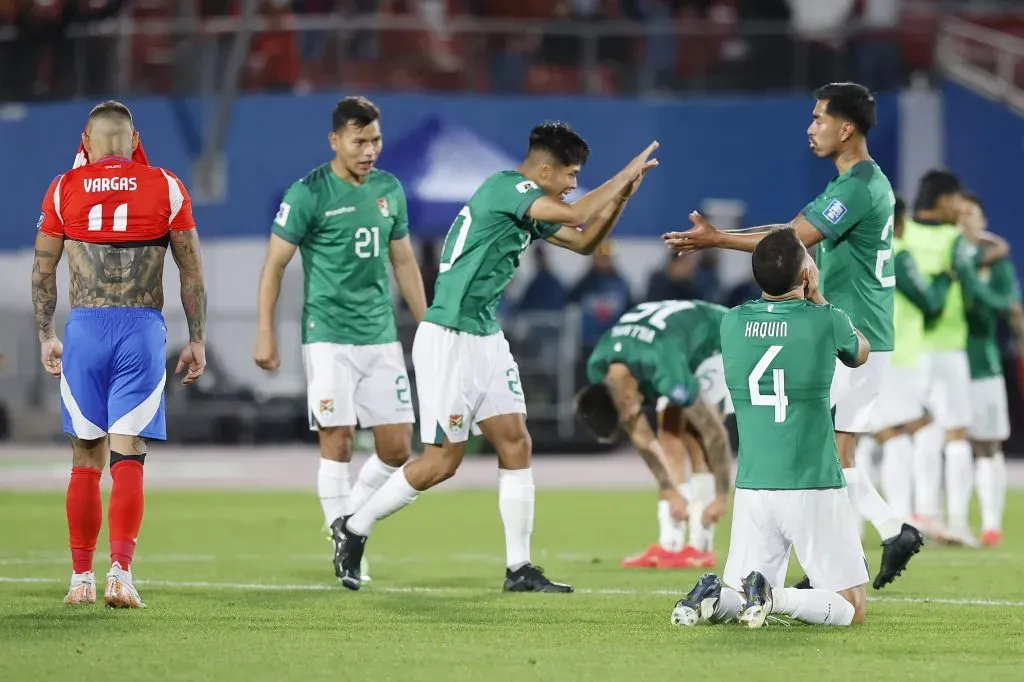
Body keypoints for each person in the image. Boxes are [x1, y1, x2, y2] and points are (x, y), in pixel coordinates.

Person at [333, 122, 660, 592]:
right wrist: (624, 174)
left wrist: (623, 196)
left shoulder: (526, 201)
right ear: (544, 169)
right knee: (442, 462)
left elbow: (585, 241)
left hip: (484, 336)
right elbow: (581, 212)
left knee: (515, 442)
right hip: (450, 336)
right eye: (569, 175)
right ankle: (354, 526)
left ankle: (519, 568)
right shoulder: (507, 188)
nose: (572, 185)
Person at [662, 82, 921, 589]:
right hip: (853, 329)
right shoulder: (855, 181)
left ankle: (838, 561)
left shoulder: (857, 187)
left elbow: (792, 240)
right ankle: (883, 536)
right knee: (833, 455)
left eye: (819, 118)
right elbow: (793, 227)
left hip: (854, 334)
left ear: (846, 128)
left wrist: (718, 239)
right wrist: (720, 236)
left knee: (821, 457)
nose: (810, 126)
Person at [32, 100, 207, 608]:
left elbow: (43, 272)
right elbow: (190, 271)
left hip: (85, 327)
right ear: (135, 139)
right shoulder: (166, 185)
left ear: (86, 141)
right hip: (140, 328)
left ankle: (80, 579)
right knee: (128, 455)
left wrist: (47, 333)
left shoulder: (64, 187)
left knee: (86, 457)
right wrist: (196, 338)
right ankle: (121, 574)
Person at [253, 96, 427, 583]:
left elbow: (405, 263)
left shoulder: (390, 189)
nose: (369, 150)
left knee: (397, 447)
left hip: (379, 335)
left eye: (375, 140)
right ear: (335, 140)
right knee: (339, 437)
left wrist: (430, 324)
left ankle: (349, 524)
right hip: (327, 335)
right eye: (359, 141)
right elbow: (274, 266)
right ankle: (344, 539)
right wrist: (265, 331)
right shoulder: (308, 193)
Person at [672, 227, 869, 629]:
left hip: (754, 486)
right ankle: (774, 596)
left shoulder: (732, 322)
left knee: (740, 594)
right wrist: (818, 298)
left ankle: (711, 597)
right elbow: (860, 352)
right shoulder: (825, 320)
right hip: (813, 482)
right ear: (806, 274)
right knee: (852, 608)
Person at [902, 171, 1016, 546]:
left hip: (909, 348)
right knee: (956, 436)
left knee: (916, 433)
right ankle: (954, 521)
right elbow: (974, 288)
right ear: (946, 200)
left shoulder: (905, 236)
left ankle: (919, 515)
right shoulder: (954, 240)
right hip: (949, 348)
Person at [574, 299, 733, 570]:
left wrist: (722, 496)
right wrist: (670, 490)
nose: (631, 424)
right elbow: (641, 434)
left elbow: (715, 434)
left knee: (696, 435)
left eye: (625, 417)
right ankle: (670, 543)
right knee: (668, 434)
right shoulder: (599, 368)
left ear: (624, 398)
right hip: (672, 343)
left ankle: (700, 546)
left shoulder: (662, 366)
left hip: (716, 341)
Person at [960, 193, 1022, 546]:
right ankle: (945, 519)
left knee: (988, 446)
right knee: (948, 444)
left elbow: (1008, 305)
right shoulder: (952, 259)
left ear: (983, 222)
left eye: (973, 215)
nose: (967, 221)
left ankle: (991, 523)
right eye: (962, 214)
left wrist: (973, 280)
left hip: (985, 364)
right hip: (944, 360)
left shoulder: (996, 266)